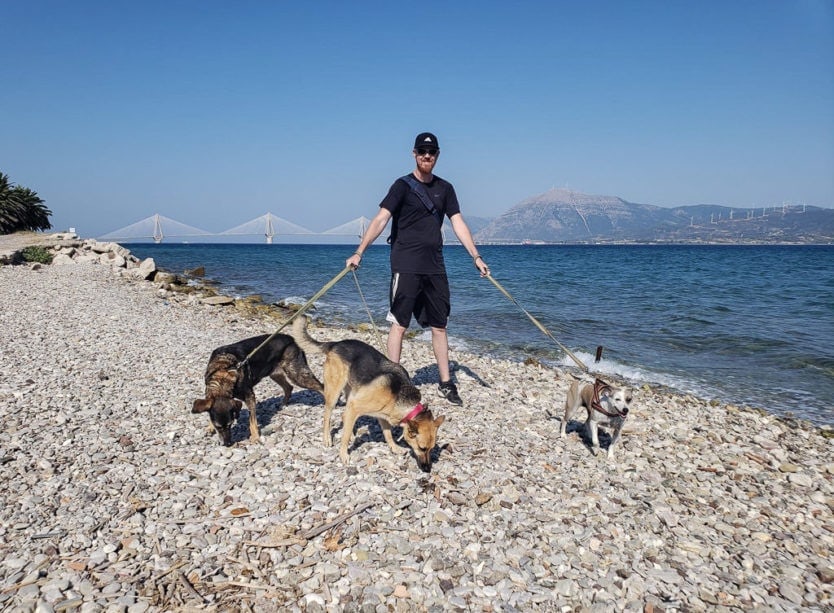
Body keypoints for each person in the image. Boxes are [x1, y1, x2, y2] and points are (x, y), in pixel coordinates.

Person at [346, 132, 489, 406]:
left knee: (440, 325)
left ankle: (446, 383)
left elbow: (458, 223)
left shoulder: (445, 188)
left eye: (432, 152)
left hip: (435, 266)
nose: (427, 156)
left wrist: (476, 256)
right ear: (414, 153)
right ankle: (393, 382)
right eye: (422, 151)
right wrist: (359, 252)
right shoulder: (402, 186)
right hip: (405, 265)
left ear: (437, 155)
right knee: (400, 324)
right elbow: (381, 219)